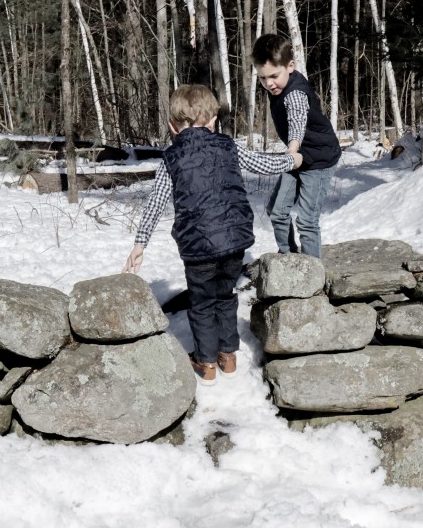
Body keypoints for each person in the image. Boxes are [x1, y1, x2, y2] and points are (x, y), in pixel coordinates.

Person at [124, 84, 302, 386]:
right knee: (225, 295)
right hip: (234, 243)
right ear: (213, 121)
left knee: (202, 301)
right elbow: (264, 164)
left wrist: (139, 244)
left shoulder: (171, 158)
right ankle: (229, 356)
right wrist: (291, 160)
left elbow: (155, 204)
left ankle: (206, 363)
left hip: (198, 248)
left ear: (172, 126)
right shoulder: (228, 145)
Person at [252, 33, 341, 258]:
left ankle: (312, 274)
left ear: (290, 66)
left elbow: (298, 120)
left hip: (318, 159)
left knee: (307, 220)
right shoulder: (279, 87)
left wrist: (292, 149)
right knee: (277, 211)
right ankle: (289, 258)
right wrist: (294, 155)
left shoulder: (296, 93)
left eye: (273, 76)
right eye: (262, 78)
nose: (268, 83)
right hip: (299, 157)